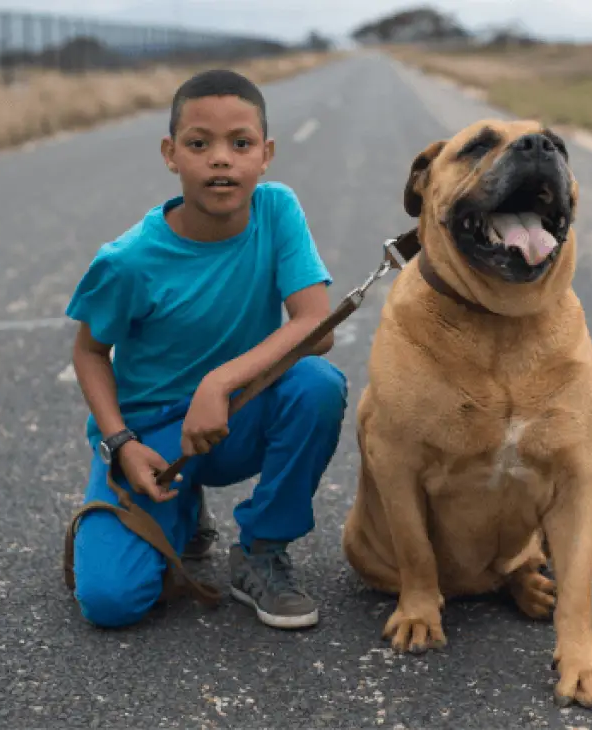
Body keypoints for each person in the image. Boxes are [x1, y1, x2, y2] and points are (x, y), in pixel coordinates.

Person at [64, 68, 348, 631]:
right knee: (112, 602)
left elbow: (318, 324)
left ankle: (262, 550)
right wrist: (121, 443)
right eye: (200, 144)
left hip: (233, 415)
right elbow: (90, 353)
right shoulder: (128, 262)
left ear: (265, 155)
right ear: (171, 155)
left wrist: (217, 384)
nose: (222, 159)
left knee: (318, 385)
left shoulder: (276, 210)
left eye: (240, 144)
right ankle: (181, 509)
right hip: (152, 442)